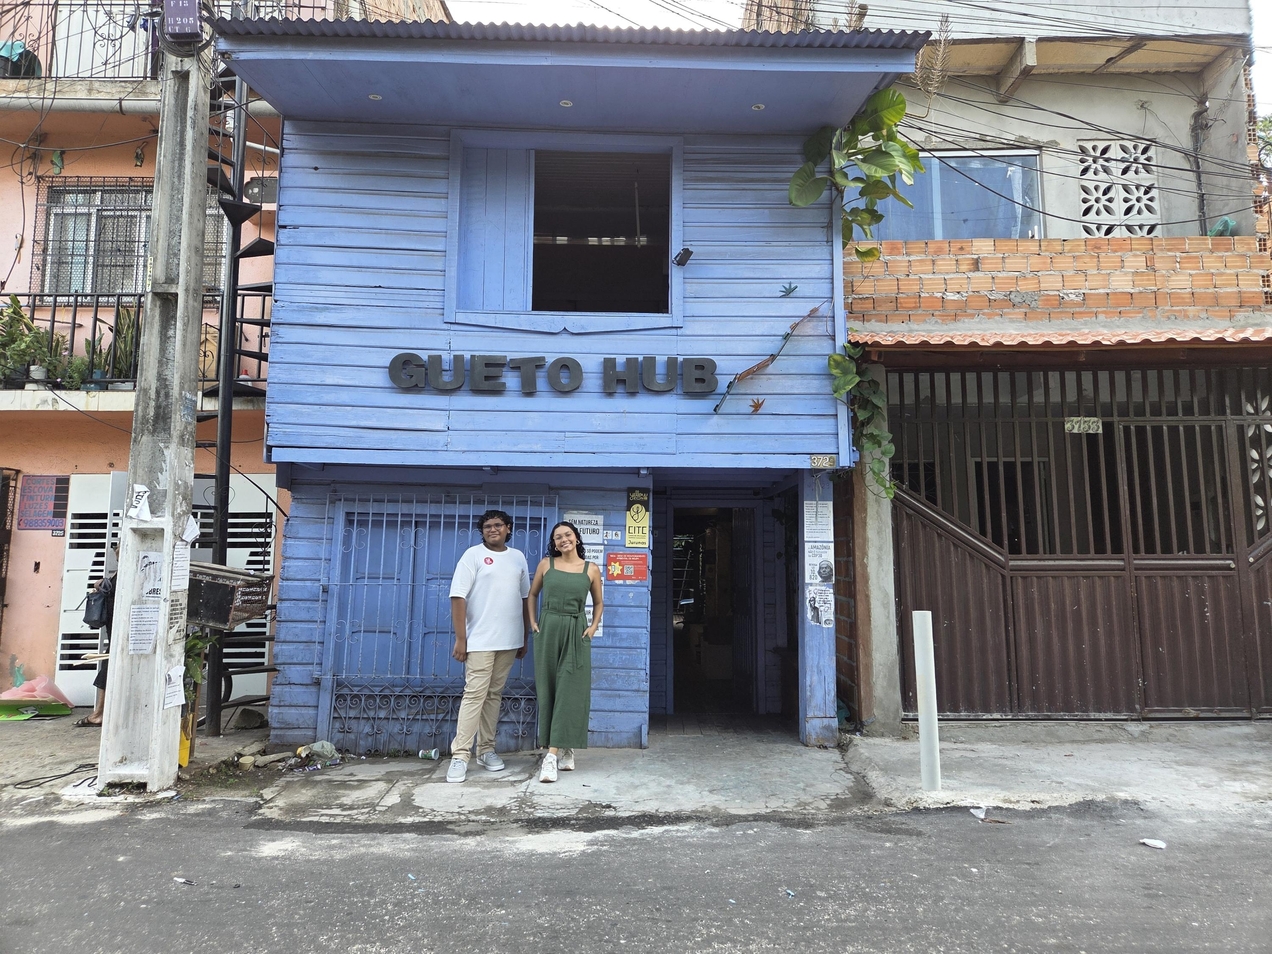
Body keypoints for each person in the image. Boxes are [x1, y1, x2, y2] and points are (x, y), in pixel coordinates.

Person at [445, 510, 531, 783]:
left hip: (509, 640)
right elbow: (458, 597)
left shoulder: (518, 557)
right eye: (486, 526)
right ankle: (460, 756)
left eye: (497, 525)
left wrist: (524, 637)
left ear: (508, 528)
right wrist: (461, 638)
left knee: (494, 695)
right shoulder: (472, 555)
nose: (492, 529)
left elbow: (525, 599)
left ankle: (486, 750)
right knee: (474, 695)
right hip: (480, 640)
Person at [528, 520, 604, 783]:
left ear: (577, 538)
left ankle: (552, 755)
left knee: (571, 689)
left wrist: (593, 627)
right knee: (549, 688)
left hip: (576, 628)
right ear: (554, 542)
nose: (563, 540)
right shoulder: (546, 564)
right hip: (548, 628)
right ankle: (562, 746)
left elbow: (599, 601)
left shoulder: (590, 568)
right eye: (558, 537)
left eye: (568, 535)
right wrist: (533, 623)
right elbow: (532, 595)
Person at [75, 543, 117, 728]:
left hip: (121, 632)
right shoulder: (122, 573)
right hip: (117, 631)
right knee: (108, 666)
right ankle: (99, 712)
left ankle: (99, 713)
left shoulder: (129, 571)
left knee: (108, 668)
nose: (116, 552)